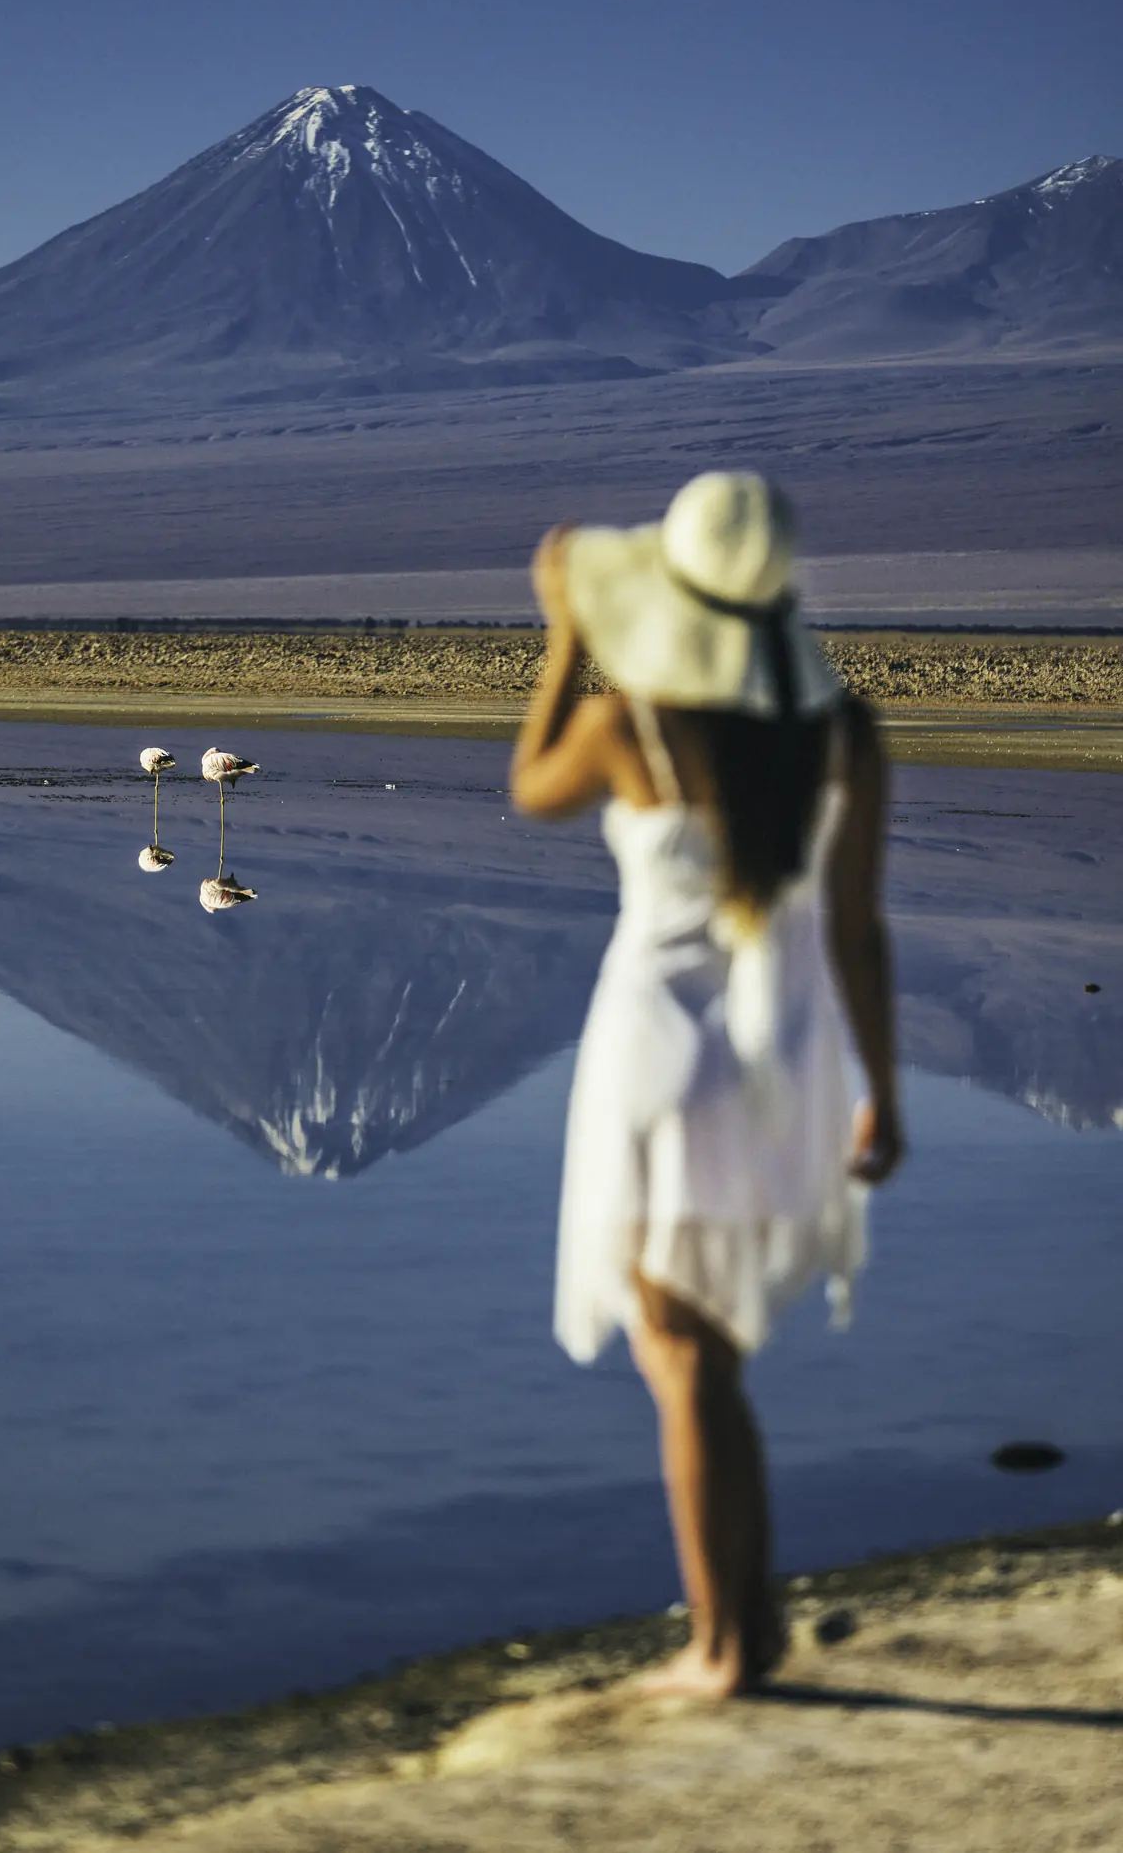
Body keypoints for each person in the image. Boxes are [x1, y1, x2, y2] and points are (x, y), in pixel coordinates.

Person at [510, 471, 904, 1699]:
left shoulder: (632, 722)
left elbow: (531, 785)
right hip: (788, 1052)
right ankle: (753, 1622)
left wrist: (566, 634)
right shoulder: (841, 729)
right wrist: (882, 1090)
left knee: (677, 1353)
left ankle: (718, 1644)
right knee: (708, 1351)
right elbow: (856, 931)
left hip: (662, 1055)